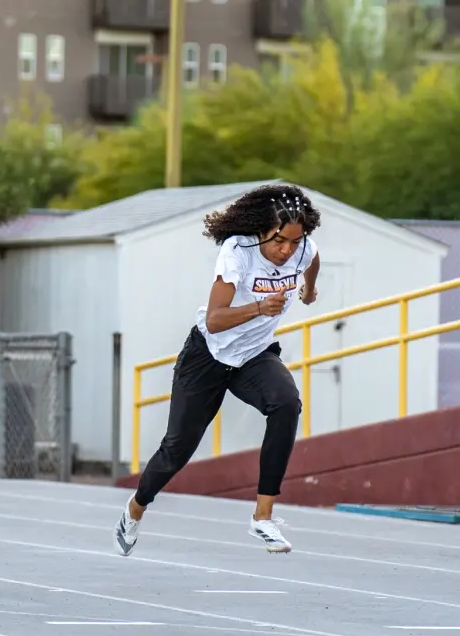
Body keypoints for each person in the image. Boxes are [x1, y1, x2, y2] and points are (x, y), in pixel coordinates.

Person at [114, 183, 321, 556]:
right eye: (279, 242)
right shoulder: (237, 252)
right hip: (207, 355)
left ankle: (263, 517)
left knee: (287, 402)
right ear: (262, 230)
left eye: (294, 241)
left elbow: (313, 259)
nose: (286, 250)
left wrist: (310, 288)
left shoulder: (303, 248)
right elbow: (214, 319)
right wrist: (259, 308)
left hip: (253, 356)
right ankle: (136, 508)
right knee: (176, 450)